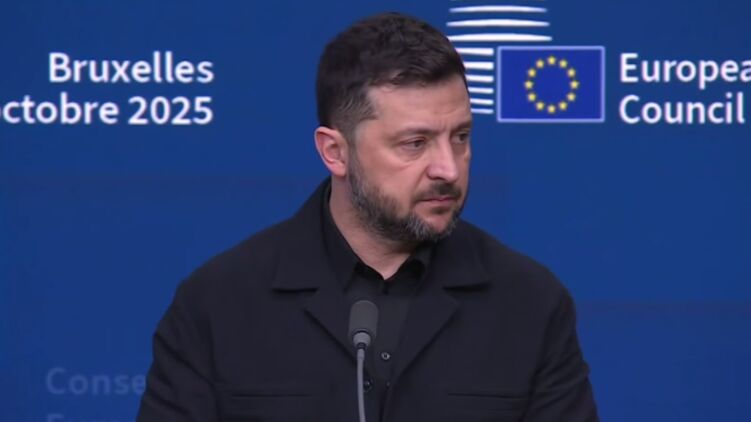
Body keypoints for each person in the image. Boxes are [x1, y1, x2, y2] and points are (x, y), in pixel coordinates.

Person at [136, 12, 598, 422]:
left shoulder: (530, 303)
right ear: (335, 152)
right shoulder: (219, 303)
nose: (448, 168)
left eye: (460, 136)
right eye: (415, 143)